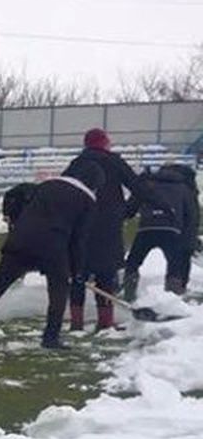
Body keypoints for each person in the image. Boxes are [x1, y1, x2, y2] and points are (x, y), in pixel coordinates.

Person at [0, 161, 103, 350]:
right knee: (58, 291)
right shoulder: (87, 200)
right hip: (53, 247)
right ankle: (50, 337)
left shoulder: (46, 185)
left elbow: (22, 203)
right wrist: (77, 270)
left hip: (21, 239)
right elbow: (79, 239)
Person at [63, 128, 162, 331]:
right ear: (104, 143)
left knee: (78, 273)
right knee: (105, 273)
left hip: (80, 223)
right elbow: (137, 187)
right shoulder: (114, 161)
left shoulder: (77, 163)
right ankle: (105, 322)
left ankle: (76, 322)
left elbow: (63, 187)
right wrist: (155, 203)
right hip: (108, 223)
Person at [122, 163, 199, 298]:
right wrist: (189, 240)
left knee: (133, 262)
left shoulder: (147, 184)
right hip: (172, 230)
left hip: (146, 227)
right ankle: (173, 296)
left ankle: (129, 292)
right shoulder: (184, 188)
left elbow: (130, 209)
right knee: (175, 264)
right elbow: (191, 216)